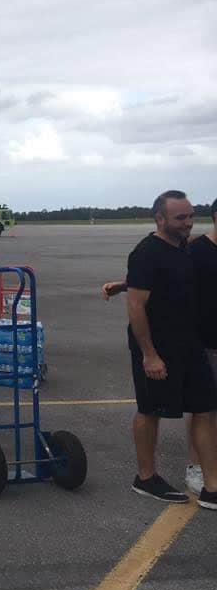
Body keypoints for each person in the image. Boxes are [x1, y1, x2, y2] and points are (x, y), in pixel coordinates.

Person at [100, 190, 217, 509]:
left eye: (192, 216)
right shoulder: (146, 252)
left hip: (189, 341)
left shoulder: (183, 248)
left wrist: (122, 284)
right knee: (151, 410)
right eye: (181, 218)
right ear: (160, 218)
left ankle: (212, 486)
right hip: (157, 343)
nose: (188, 223)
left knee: (205, 408)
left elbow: (169, 281)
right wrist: (149, 354)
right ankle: (146, 478)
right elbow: (136, 307)